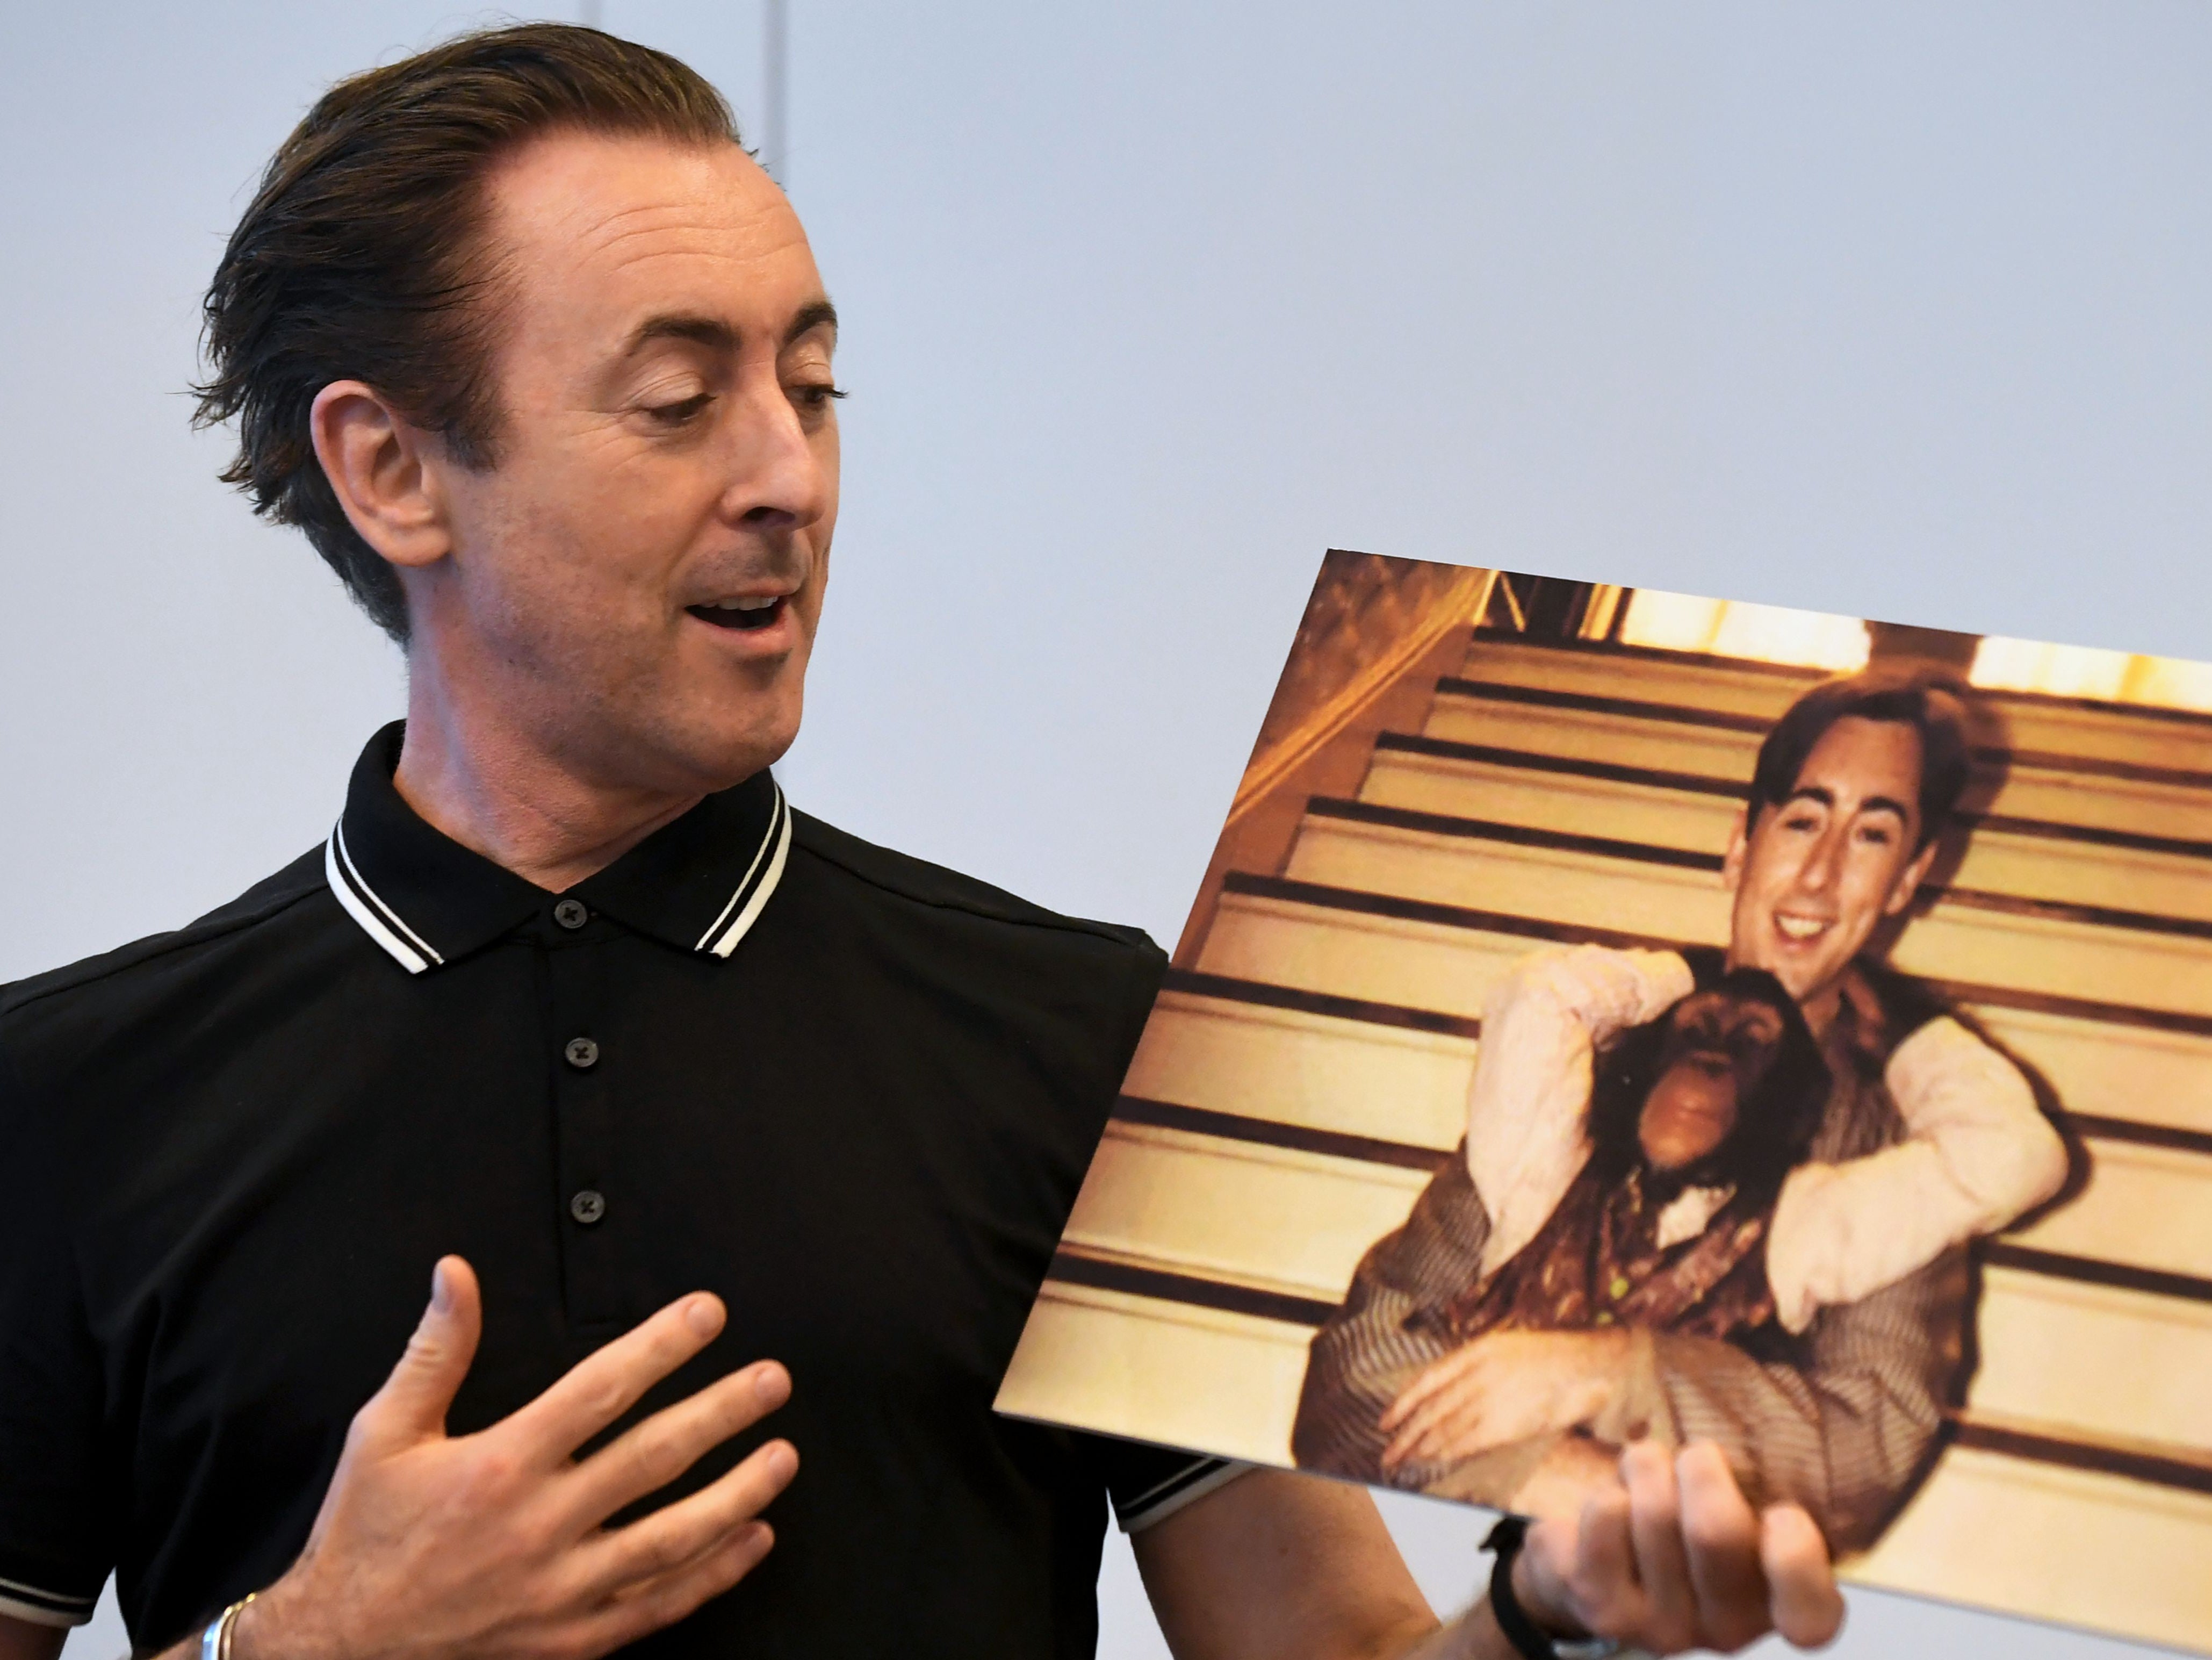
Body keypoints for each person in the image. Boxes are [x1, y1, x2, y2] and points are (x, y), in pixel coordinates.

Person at [0, 25, 1848, 1660]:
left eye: (809, 387)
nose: (788, 474)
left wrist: (1547, 1615)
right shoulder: (63, 1099)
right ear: (392, 471)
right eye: (676, 400)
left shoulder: (1082, 1035)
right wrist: (310, 1652)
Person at [1293, 671, 2069, 1550]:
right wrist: (1539, 1475)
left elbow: (1860, 1453)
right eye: (1803, 820)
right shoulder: (1602, 1053)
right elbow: (1360, 1354)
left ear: (1907, 878)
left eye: (1872, 835)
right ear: (1740, 842)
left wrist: (1615, 1373)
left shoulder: (1902, 1139)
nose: (1818, 875)